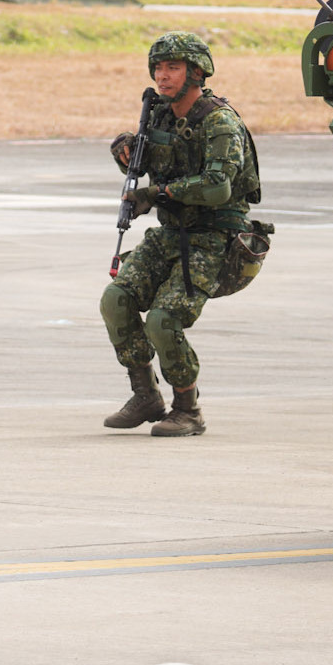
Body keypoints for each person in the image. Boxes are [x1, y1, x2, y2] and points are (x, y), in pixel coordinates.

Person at [100, 31, 259, 437]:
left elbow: (217, 186)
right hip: (171, 234)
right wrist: (127, 152)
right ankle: (145, 394)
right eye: (158, 68)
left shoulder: (221, 123)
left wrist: (155, 194)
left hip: (214, 239)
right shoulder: (160, 116)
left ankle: (187, 409)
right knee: (117, 299)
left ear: (196, 73)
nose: (162, 76)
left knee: (163, 319)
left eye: (172, 68)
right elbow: (149, 160)